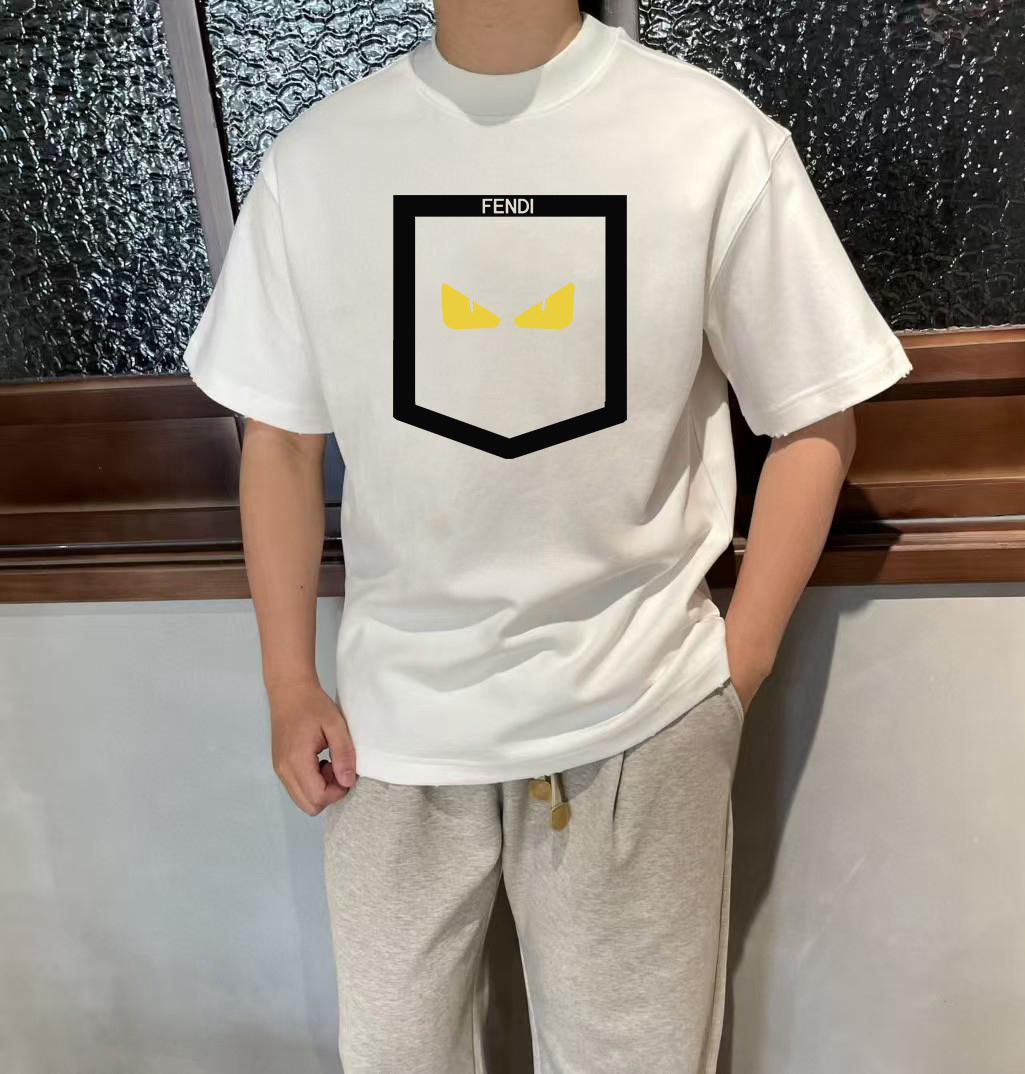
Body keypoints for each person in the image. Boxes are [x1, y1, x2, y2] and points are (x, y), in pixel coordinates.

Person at [182, 2, 912, 1070]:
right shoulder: (320, 161)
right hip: (391, 727)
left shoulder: (709, 137)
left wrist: (735, 668)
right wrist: (288, 683)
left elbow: (815, 414)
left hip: (641, 710)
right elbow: (281, 441)